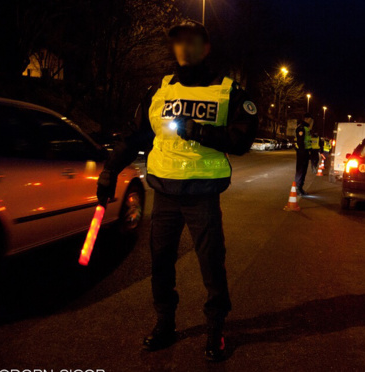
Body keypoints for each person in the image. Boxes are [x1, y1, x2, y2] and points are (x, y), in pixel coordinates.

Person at [96, 20, 258, 361]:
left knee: (212, 266)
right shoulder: (161, 90)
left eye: (192, 41)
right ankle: (164, 325)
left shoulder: (228, 91)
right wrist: (109, 171)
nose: (185, 48)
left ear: (206, 47)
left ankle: (215, 330)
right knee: (161, 264)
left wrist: (199, 132)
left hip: (203, 195)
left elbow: (243, 139)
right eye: (179, 42)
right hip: (166, 193)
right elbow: (135, 135)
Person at [294, 113, 313, 195]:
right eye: (310, 120)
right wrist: (303, 152)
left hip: (305, 153)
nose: (311, 122)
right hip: (302, 153)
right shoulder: (301, 128)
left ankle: (300, 188)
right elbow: (300, 142)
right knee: (300, 170)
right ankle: (297, 188)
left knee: (304, 171)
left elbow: (308, 141)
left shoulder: (306, 128)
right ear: (306, 119)